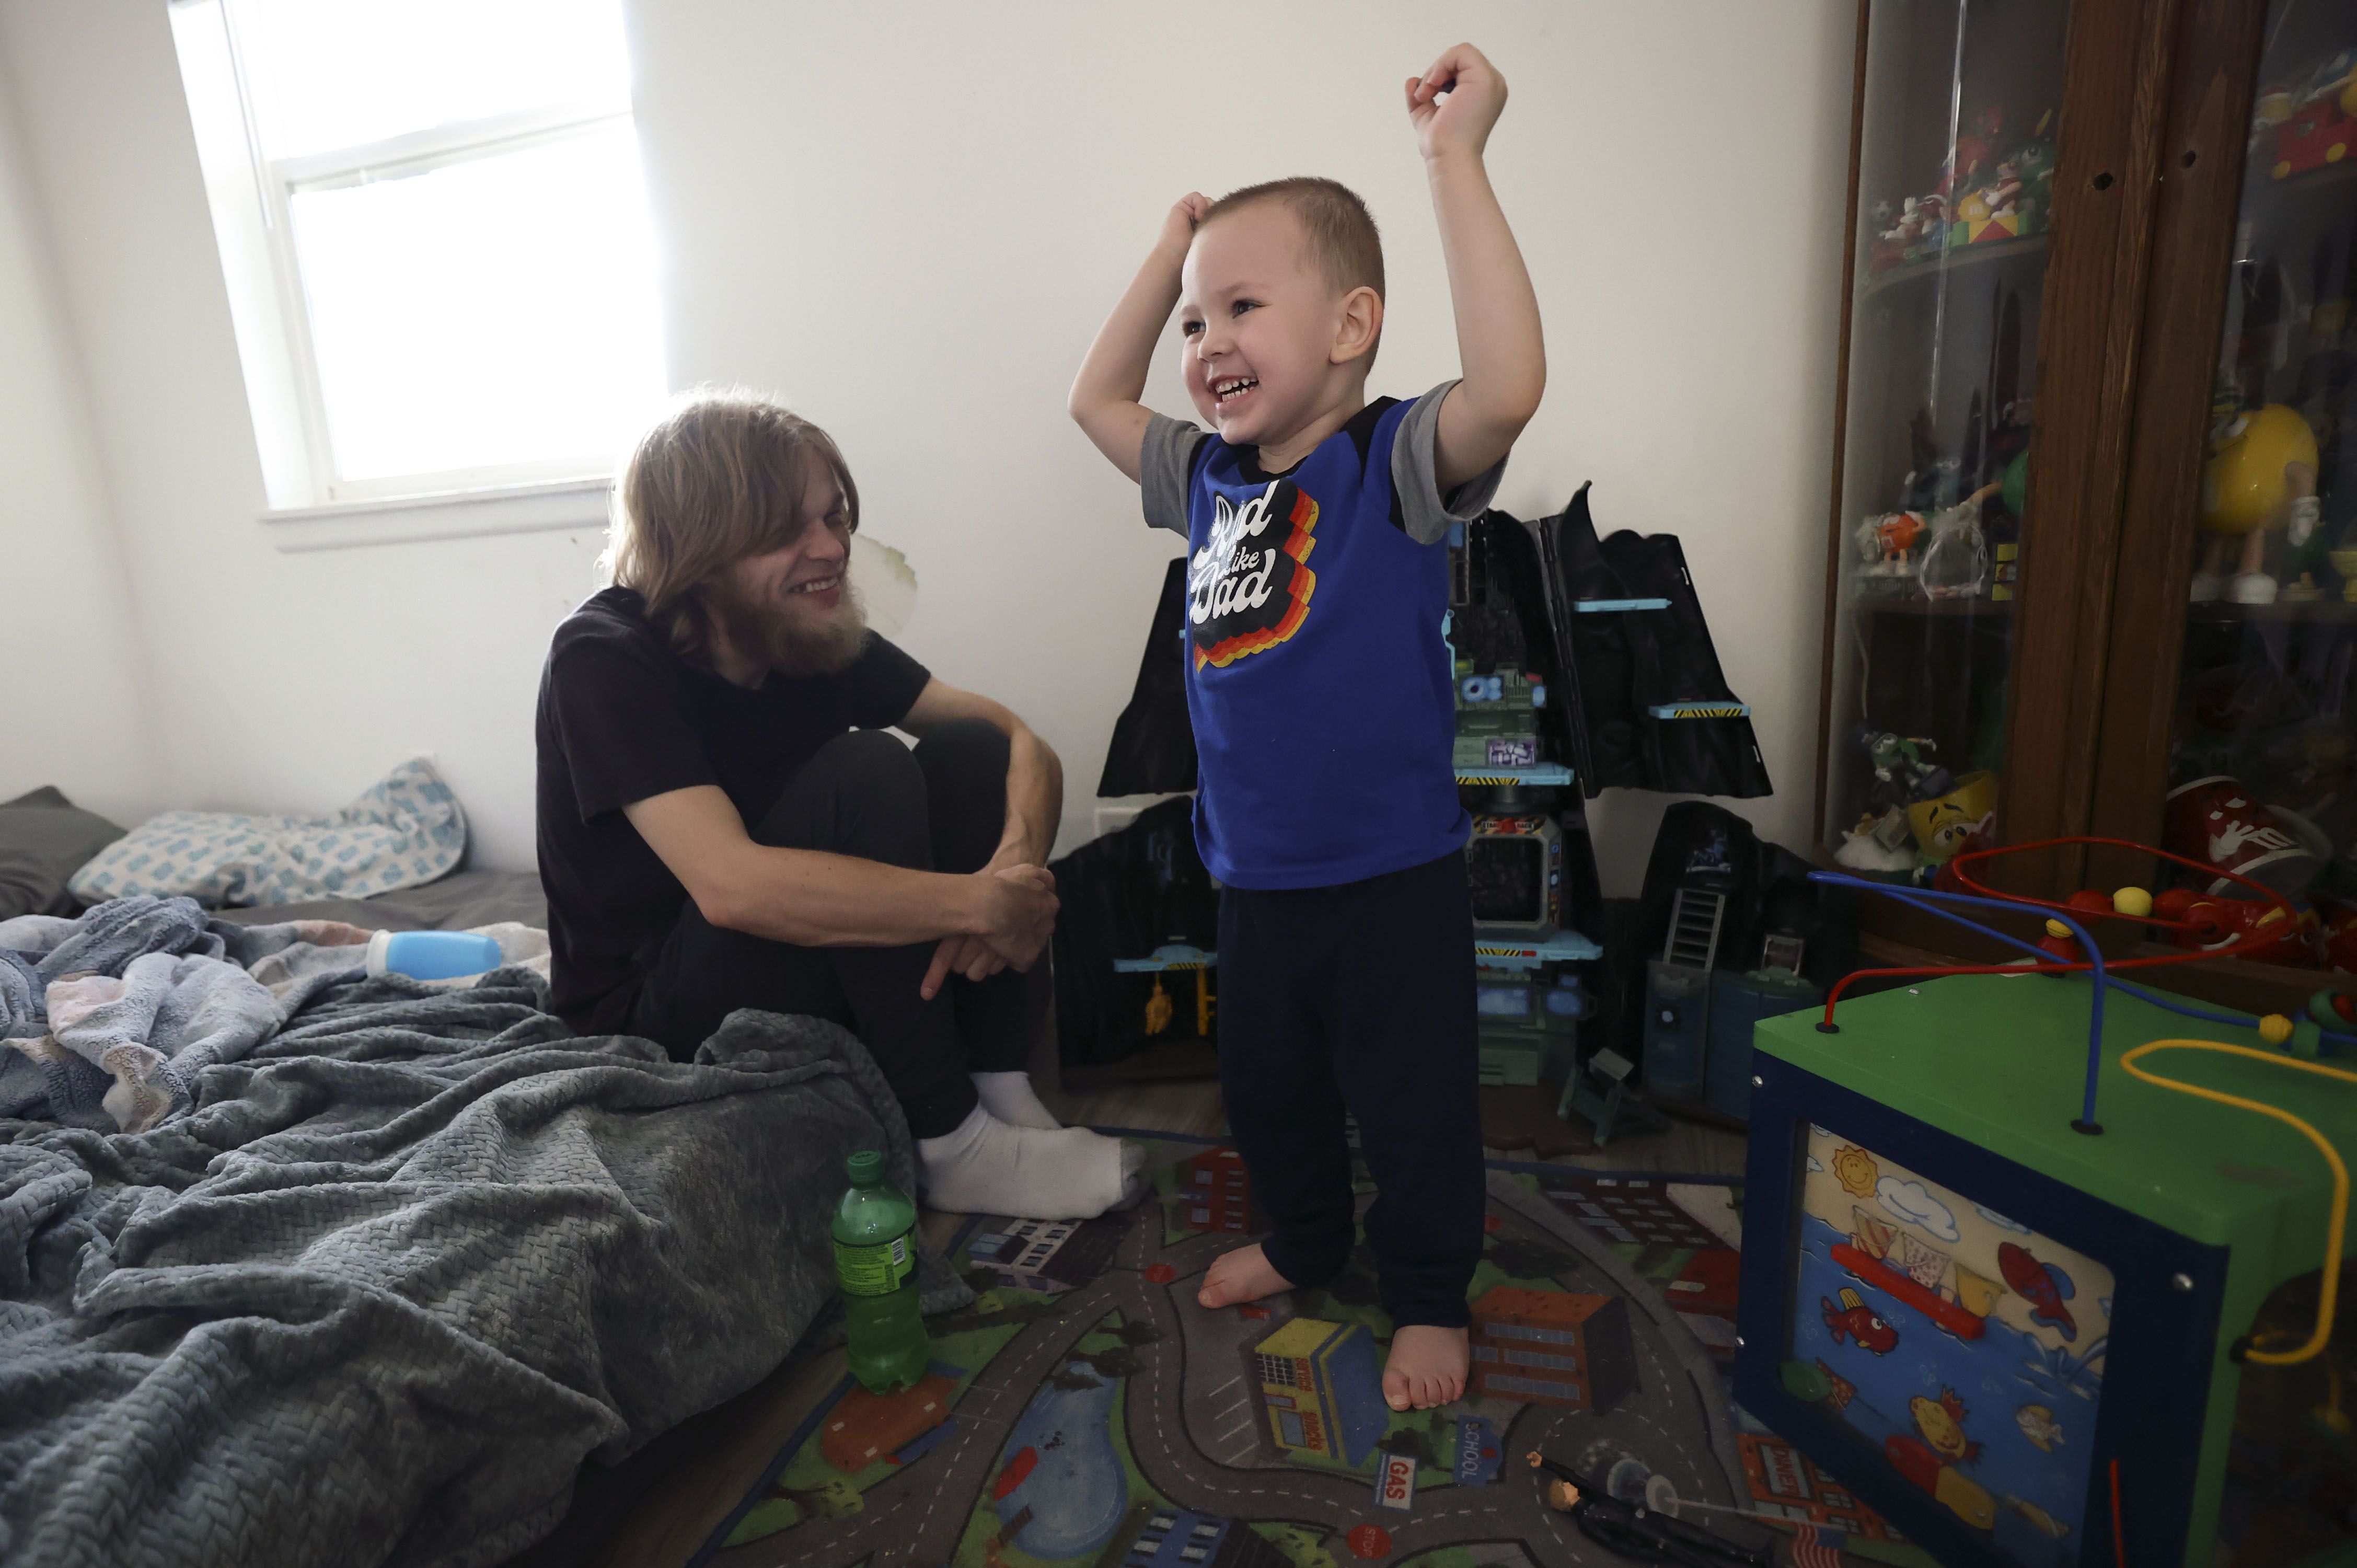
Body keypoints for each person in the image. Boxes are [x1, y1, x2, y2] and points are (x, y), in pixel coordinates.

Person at [1067, 42, 1544, 1411]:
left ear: (1347, 327)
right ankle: (1302, 1237)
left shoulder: (1388, 459)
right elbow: (1092, 402)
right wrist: (1167, 259)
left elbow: (1506, 388)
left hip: (1390, 876)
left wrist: (1451, 159)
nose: (1205, 344)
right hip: (1254, 878)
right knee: (1268, 1090)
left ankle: (1428, 1292)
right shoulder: (1202, 480)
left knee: (1411, 1104)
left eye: (1239, 308)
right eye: (1192, 324)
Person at [535, 391, 1142, 1220]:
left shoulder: (802, 628)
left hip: (773, 955)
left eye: (833, 517)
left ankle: (996, 1085)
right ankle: (951, 1143)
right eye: (786, 530)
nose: (830, 549)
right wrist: (979, 904)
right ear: (699, 544)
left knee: (973, 752)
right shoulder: (603, 656)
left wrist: (1015, 874)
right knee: (866, 771)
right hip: (647, 1011)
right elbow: (732, 887)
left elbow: (1018, 741)